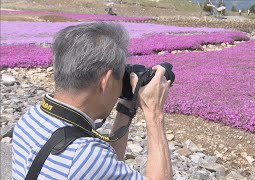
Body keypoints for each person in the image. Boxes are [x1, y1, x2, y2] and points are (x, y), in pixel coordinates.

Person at [12, 22, 173, 179]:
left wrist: (127, 106)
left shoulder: (30, 119)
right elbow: (93, 164)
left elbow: (107, 168)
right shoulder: (83, 155)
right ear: (106, 81)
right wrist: (154, 112)